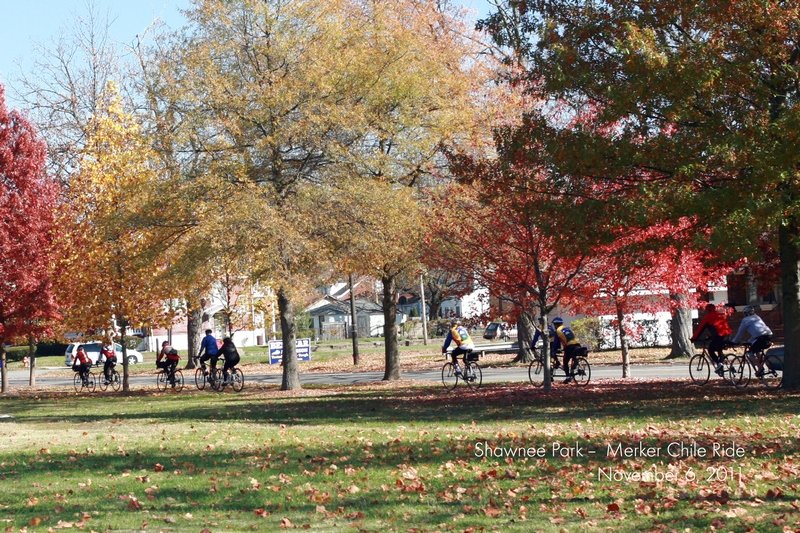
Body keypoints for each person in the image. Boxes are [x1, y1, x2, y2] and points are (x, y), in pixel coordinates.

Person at [690, 303, 733, 375]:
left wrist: (694, 338)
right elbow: (717, 327)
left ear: (707, 310)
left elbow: (700, 329)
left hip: (719, 336)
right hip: (727, 335)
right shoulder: (720, 315)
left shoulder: (708, 317)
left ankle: (719, 364)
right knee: (719, 349)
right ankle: (722, 368)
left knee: (711, 350)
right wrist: (710, 336)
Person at [731, 305, 773, 376]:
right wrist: (749, 341)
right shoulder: (757, 317)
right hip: (769, 335)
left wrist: (734, 342)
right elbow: (757, 333)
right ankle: (764, 367)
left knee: (750, 353)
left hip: (760, 338)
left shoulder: (745, 320)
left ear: (745, 313)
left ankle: (760, 369)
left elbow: (740, 333)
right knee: (757, 350)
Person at [553, 317, 583, 383]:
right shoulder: (567, 328)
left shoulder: (557, 331)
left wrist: (555, 350)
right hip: (577, 344)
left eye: (554, 325)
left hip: (569, 346)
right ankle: (574, 366)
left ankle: (568, 377)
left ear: (555, 325)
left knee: (565, 361)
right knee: (573, 357)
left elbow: (556, 343)